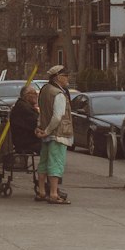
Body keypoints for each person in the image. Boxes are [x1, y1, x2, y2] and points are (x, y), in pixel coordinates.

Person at [35, 64, 74, 204]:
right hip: (58, 134)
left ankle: (41, 191)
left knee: (44, 163)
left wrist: (41, 129)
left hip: (46, 132)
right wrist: (47, 131)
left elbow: (42, 112)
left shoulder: (44, 90)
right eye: (65, 76)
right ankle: (53, 193)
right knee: (56, 164)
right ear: (58, 77)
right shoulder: (58, 94)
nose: (68, 78)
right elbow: (58, 116)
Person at [9, 84, 41, 155]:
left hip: (25, 141)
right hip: (27, 143)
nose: (37, 96)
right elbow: (37, 123)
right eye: (34, 93)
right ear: (27, 96)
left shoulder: (23, 106)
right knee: (52, 145)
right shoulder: (24, 109)